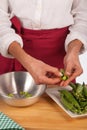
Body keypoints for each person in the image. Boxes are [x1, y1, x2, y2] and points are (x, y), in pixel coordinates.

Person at [0, 0, 87, 86]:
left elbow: (83, 16)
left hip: (61, 56)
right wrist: (27, 61)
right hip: (13, 50)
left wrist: (73, 50)